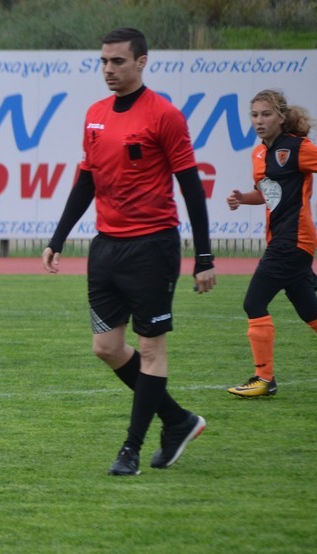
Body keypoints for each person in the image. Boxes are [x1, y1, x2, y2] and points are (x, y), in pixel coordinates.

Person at [41, 27, 217, 476]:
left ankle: (131, 450)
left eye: (118, 61)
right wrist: (58, 239)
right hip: (106, 248)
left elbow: (191, 188)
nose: (108, 69)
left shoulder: (165, 115)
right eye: (103, 61)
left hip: (152, 248)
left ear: (141, 62)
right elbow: (86, 180)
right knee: (106, 347)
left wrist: (204, 257)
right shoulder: (95, 114)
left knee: (152, 349)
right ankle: (177, 420)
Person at [225, 90, 317, 398]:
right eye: (254, 115)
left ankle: (264, 379)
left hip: (294, 240)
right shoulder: (259, 154)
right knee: (310, 311)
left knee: (253, 302)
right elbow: (269, 194)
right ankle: (264, 380)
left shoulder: (299, 147)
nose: (259, 121)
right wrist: (243, 198)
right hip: (283, 240)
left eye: (266, 114)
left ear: (281, 117)